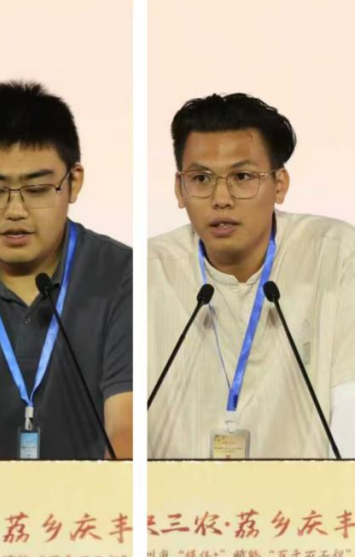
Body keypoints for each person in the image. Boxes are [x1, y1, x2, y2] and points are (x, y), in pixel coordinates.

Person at [0, 81, 133, 460]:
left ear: (74, 182)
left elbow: (126, 427)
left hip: (88, 495)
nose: (15, 211)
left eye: (37, 189)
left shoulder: (123, 275)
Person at [148, 93, 355, 459]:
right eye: (201, 178)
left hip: (308, 494)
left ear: (280, 184)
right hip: (177, 496)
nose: (221, 198)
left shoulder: (335, 254)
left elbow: (350, 408)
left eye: (242, 177)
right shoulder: (147, 272)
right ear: (180, 189)